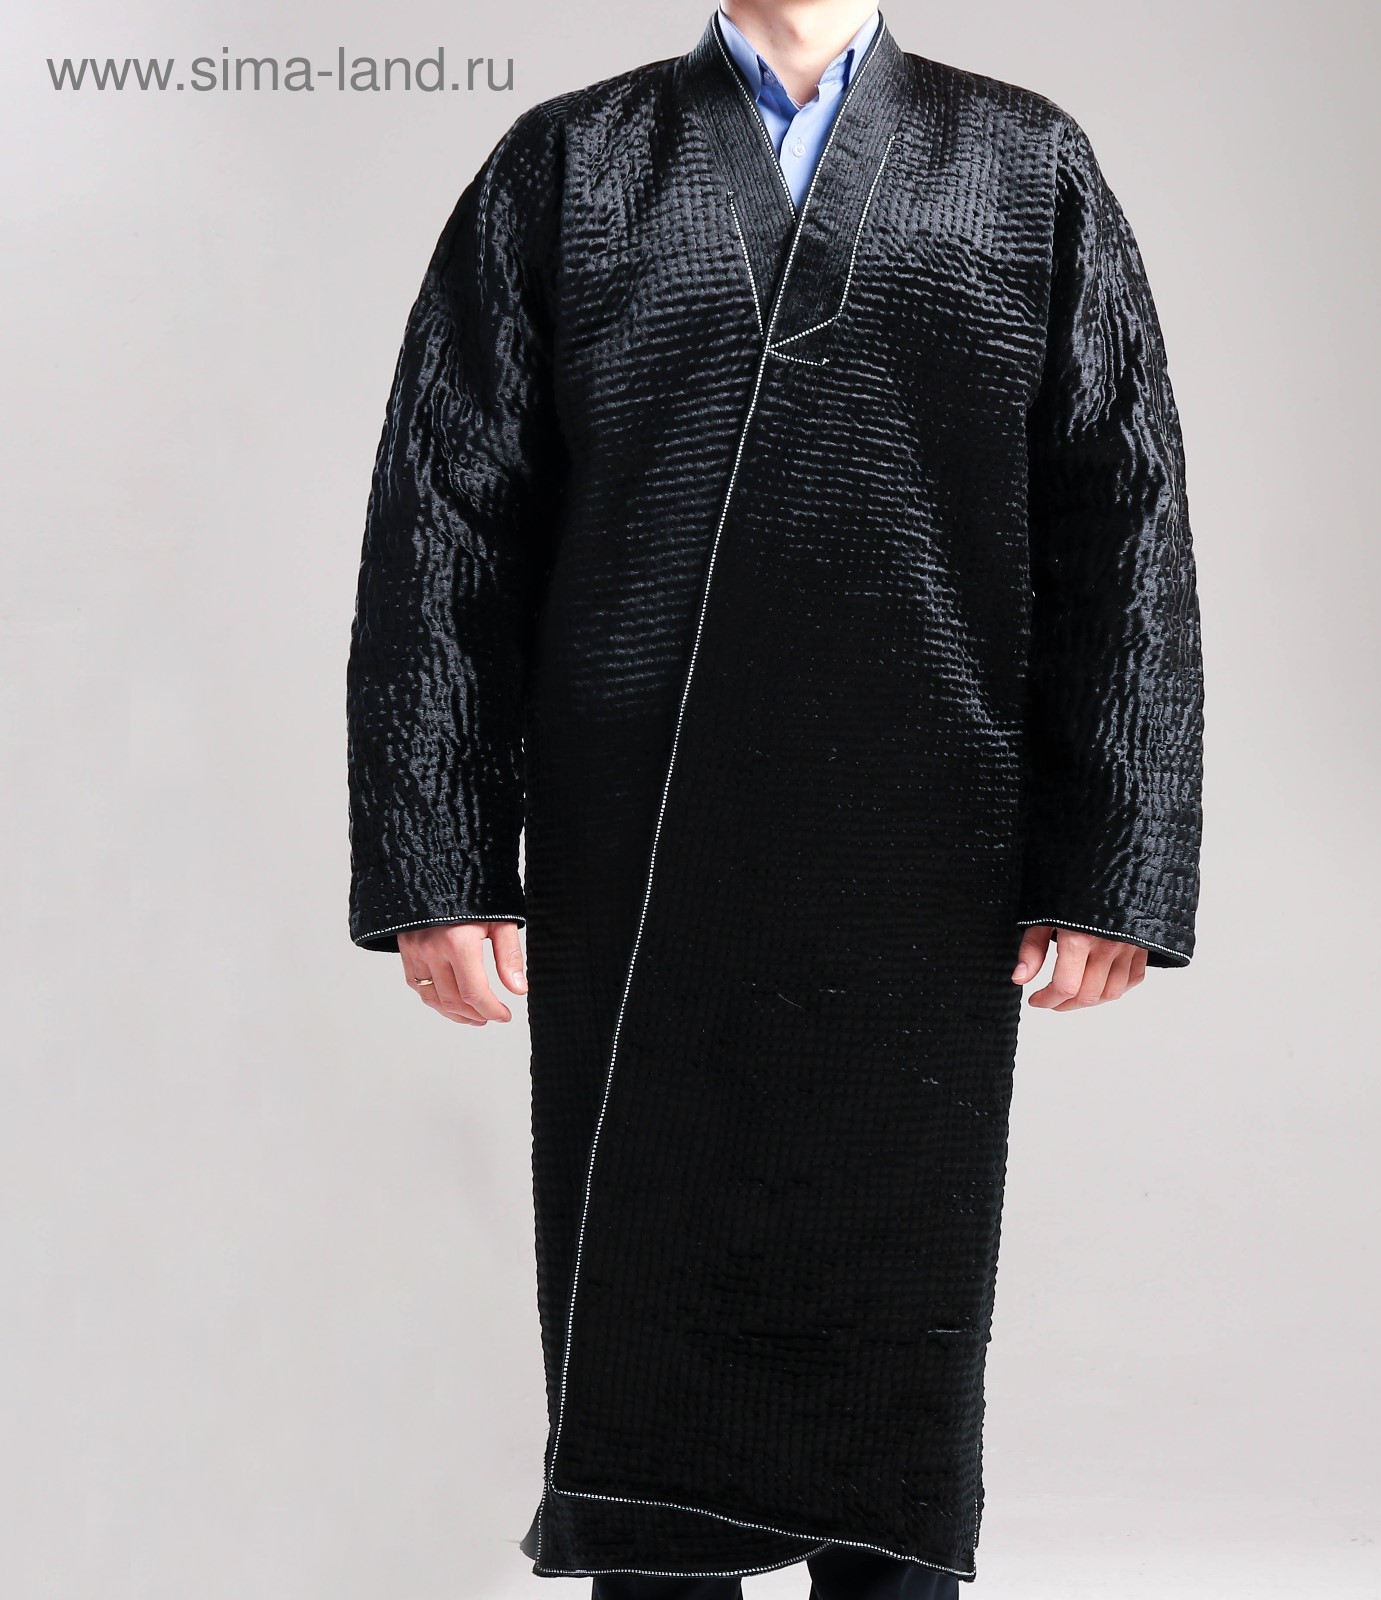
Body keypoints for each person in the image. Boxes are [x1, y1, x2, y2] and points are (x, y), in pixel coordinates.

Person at [345, 2, 1203, 1593]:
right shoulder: (568, 166)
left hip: (922, 846)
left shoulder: (1025, 164)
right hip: (635, 852)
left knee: (893, 1320)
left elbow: (1120, 522)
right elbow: (446, 520)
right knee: (645, 1314)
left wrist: (1113, 860)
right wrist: (439, 861)